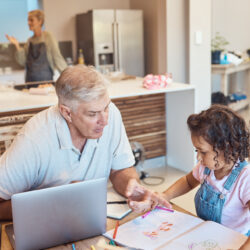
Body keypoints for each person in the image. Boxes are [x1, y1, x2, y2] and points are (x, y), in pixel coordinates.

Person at [0, 65, 170, 220]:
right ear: (67, 113)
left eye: (106, 108)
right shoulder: (34, 139)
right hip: (44, 224)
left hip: (90, 220)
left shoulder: (112, 115)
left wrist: (131, 185)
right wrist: (55, 200)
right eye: (92, 114)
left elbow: (120, 169)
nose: (105, 120)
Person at [130, 104, 250, 249]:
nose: (199, 157)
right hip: (204, 234)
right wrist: (165, 196)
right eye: (196, 151)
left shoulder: (245, 178)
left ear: (227, 147)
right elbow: (187, 181)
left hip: (234, 241)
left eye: (203, 152)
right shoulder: (207, 168)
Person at [6, 9, 67, 82]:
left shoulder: (48, 37)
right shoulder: (29, 41)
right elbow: (23, 62)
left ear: (40, 21)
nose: (28, 23)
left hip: (45, 81)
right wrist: (17, 45)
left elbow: (57, 57)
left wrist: (68, 76)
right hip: (30, 81)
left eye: (31, 20)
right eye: (28, 20)